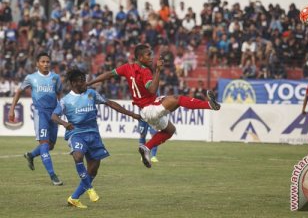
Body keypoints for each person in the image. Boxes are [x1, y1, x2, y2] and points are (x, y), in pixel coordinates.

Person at [87, 44, 221, 168]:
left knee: (170, 130)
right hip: (151, 109)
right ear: (140, 57)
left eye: (151, 54)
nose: (151, 58)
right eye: (148, 55)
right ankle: (210, 105)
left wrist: (90, 83)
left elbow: (109, 74)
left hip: (147, 112)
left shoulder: (126, 67)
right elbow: (151, 90)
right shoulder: (145, 71)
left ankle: (146, 148)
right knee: (177, 99)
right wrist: (158, 70)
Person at [51, 68, 141, 209]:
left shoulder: (92, 94)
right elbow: (54, 116)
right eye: (81, 81)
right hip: (77, 133)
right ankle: (90, 188)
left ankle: (74, 198)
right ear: (73, 83)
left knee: (93, 169)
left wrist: (132, 114)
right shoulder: (65, 100)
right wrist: (64, 123)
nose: (85, 83)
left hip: (94, 135)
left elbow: (110, 103)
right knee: (78, 156)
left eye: (85, 80)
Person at [8, 52, 63, 185]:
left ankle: (31, 155)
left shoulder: (55, 78)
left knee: (51, 145)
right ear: (37, 64)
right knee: (44, 144)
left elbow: (60, 93)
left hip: (54, 114)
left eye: (48, 62)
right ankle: (53, 176)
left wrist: (61, 109)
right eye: (43, 62)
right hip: (40, 113)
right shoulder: (31, 78)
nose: (46, 64)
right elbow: (19, 91)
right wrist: (11, 108)